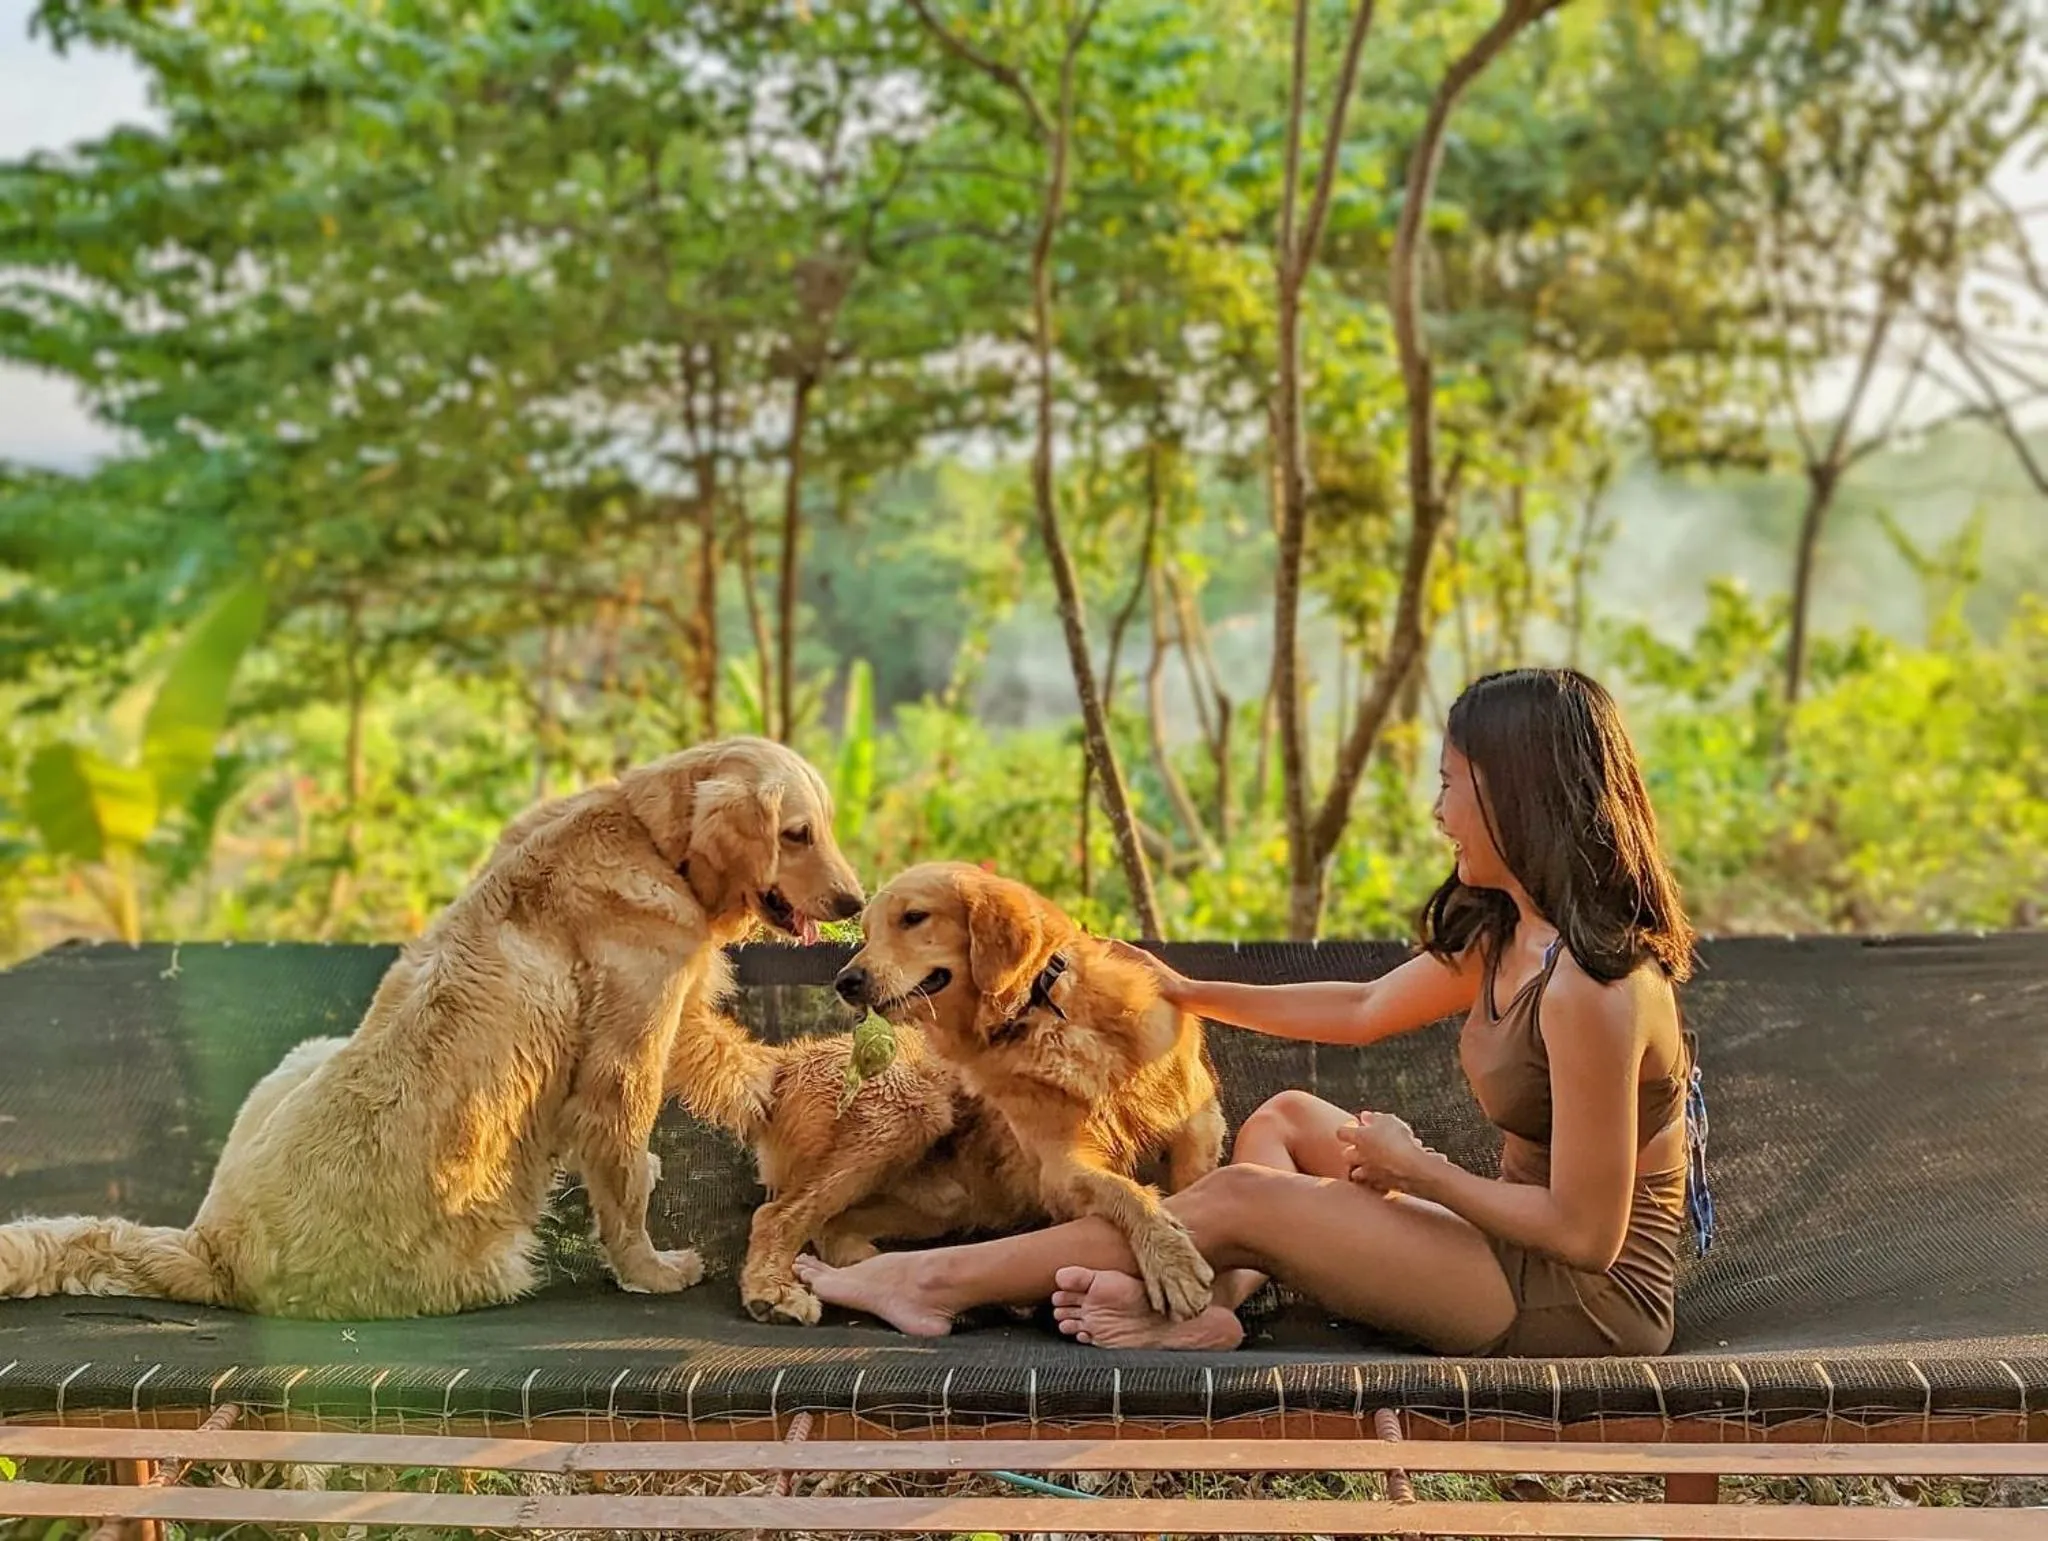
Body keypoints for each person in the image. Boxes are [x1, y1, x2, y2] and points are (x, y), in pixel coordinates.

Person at [796, 667, 1713, 1357]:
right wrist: (1190, 990)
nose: (1438, 813)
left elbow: (1587, 1237)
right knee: (1283, 1120)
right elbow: (1359, 1006)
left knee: (1241, 1192)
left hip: (1578, 1306)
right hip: (1507, 1251)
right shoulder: (1507, 932)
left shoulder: (1596, 986)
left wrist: (1421, 1170)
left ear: (1517, 797)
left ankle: (930, 1279)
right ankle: (1208, 1311)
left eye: (1449, 785)